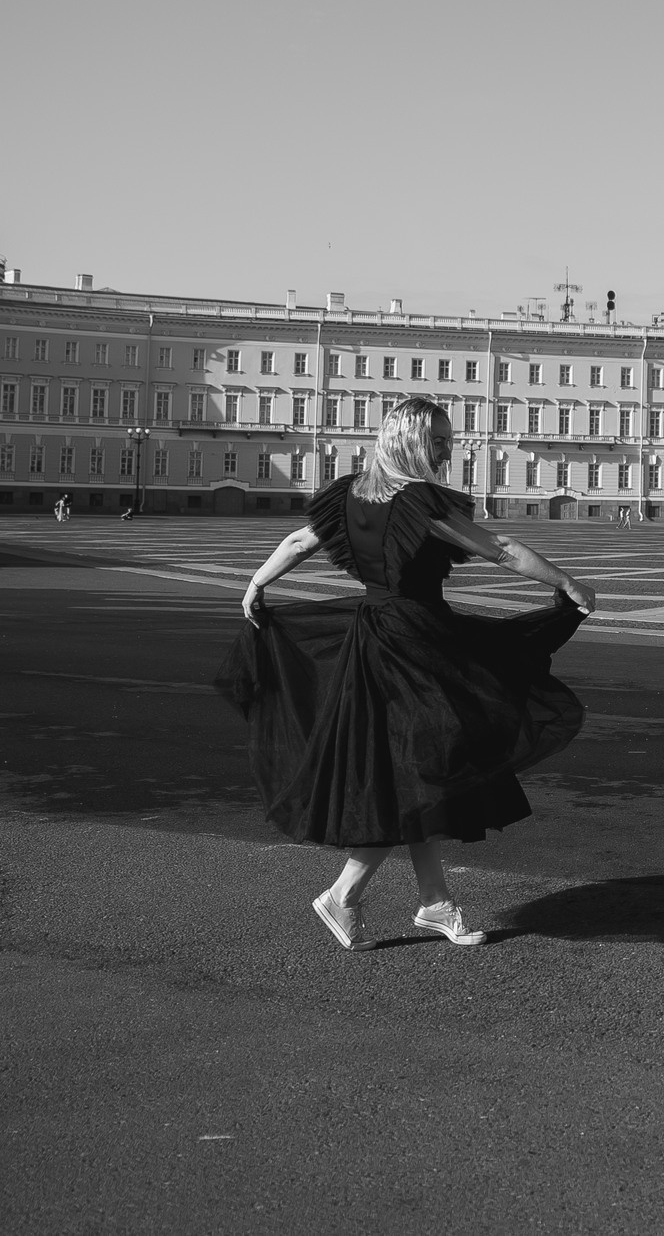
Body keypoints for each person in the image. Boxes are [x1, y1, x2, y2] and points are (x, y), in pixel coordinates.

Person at [215, 397, 597, 952]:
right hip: (415, 643)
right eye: (439, 439)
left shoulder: (348, 495)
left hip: (374, 638)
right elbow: (502, 549)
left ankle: (434, 900)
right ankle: (345, 894)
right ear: (410, 441)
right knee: (420, 770)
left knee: (419, 767)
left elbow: (300, 541)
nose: (449, 448)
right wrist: (566, 583)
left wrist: (256, 582)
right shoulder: (420, 500)